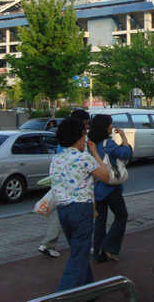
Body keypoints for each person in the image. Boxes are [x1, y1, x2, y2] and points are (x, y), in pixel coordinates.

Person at [51, 117, 110, 292]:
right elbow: (105, 176)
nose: (86, 139)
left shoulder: (57, 159)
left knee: (79, 251)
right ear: (77, 137)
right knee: (78, 256)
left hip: (63, 209)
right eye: (84, 135)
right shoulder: (84, 158)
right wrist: (96, 154)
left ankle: (88, 290)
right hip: (81, 208)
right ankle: (63, 295)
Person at [38, 110, 91, 258]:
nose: (86, 128)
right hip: (73, 188)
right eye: (85, 124)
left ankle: (51, 243)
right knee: (68, 217)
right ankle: (50, 243)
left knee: (64, 216)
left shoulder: (65, 138)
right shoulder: (73, 142)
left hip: (63, 184)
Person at [88, 114, 132, 263]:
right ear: (104, 126)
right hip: (110, 187)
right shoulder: (109, 143)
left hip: (96, 186)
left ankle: (98, 255)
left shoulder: (90, 144)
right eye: (110, 124)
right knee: (121, 215)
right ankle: (108, 246)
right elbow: (125, 153)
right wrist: (124, 138)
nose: (111, 127)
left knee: (100, 221)